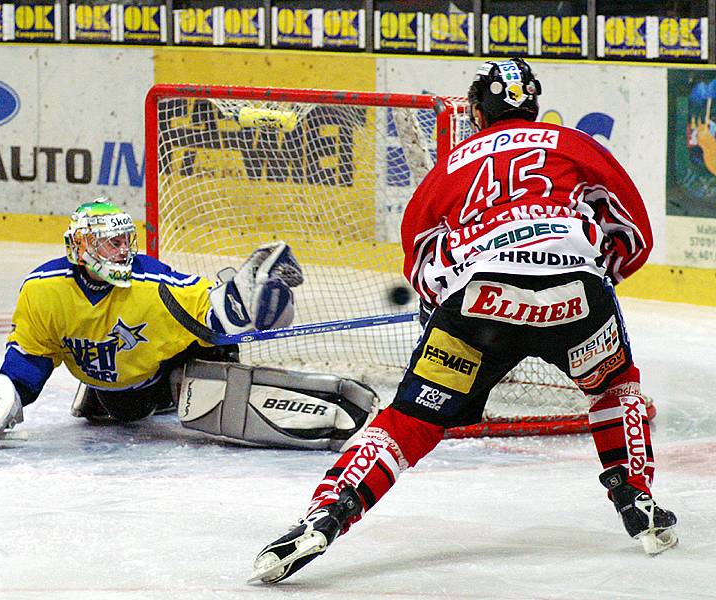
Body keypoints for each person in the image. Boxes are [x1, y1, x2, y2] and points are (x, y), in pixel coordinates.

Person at [250, 58, 678, 584]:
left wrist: (450, 311)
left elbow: (420, 256)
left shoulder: (453, 164)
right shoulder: (571, 143)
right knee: (614, 387)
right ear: (535, 107)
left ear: (475, 110)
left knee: (411, 418)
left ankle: (328, 512)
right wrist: (594, 277)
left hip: (479, 306)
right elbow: (632, 231)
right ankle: (638, 502)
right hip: (575, 299)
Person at [0, 199, 377, 452]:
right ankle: (105, 397)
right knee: (125, 408)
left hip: (168, 371)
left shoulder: (152, 283)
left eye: (124, 241)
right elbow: (32, 353)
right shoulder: (42, 290)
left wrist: (255, 297)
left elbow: (218, 312)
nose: (120, 252)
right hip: (117, 396)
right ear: (79, 248)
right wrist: (6, 392)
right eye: (107, 243)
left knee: (210, 374)